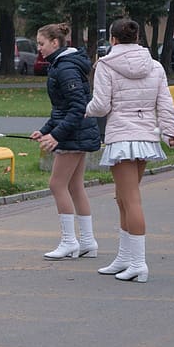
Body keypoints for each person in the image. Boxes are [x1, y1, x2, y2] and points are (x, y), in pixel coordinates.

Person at [86, 18, 174, 282]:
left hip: (122, 137)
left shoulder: (105, 65)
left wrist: (86, 110)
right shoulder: (155, 66)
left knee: (130, 199)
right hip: (146, 136)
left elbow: (102, 106)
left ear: (113, 40)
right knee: (122, 198)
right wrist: (171, 131)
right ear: (138, 38)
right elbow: (165, 103)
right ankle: (124, 258)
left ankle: (138, 263)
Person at [30, 23, 102, 261]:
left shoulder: (66, 68)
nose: (38, 48)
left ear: (55, 42)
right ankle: (88, 242)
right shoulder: (62, 65)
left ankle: (70, 242)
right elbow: (61, 109)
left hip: (74, 134)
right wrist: (44, 130)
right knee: (74, 186)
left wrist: (56, 135)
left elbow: (77, 108)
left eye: (41, 44)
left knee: (57, 185)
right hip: (76, 132)